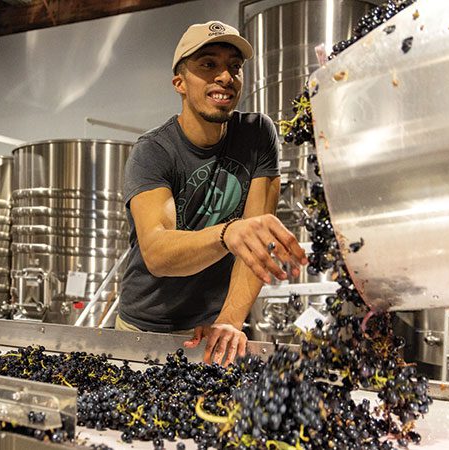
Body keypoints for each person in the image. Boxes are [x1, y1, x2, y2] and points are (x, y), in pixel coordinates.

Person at [117, 21, 308, 366]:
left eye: (234, 67)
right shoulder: (154, 152)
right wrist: (227, 233)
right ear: (180, 83)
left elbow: (257, 241)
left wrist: (229, 321)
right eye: (208, 65)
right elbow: (158, 253)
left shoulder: (257, 135)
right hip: (145, 329)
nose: (225, 76)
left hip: (212, 329)